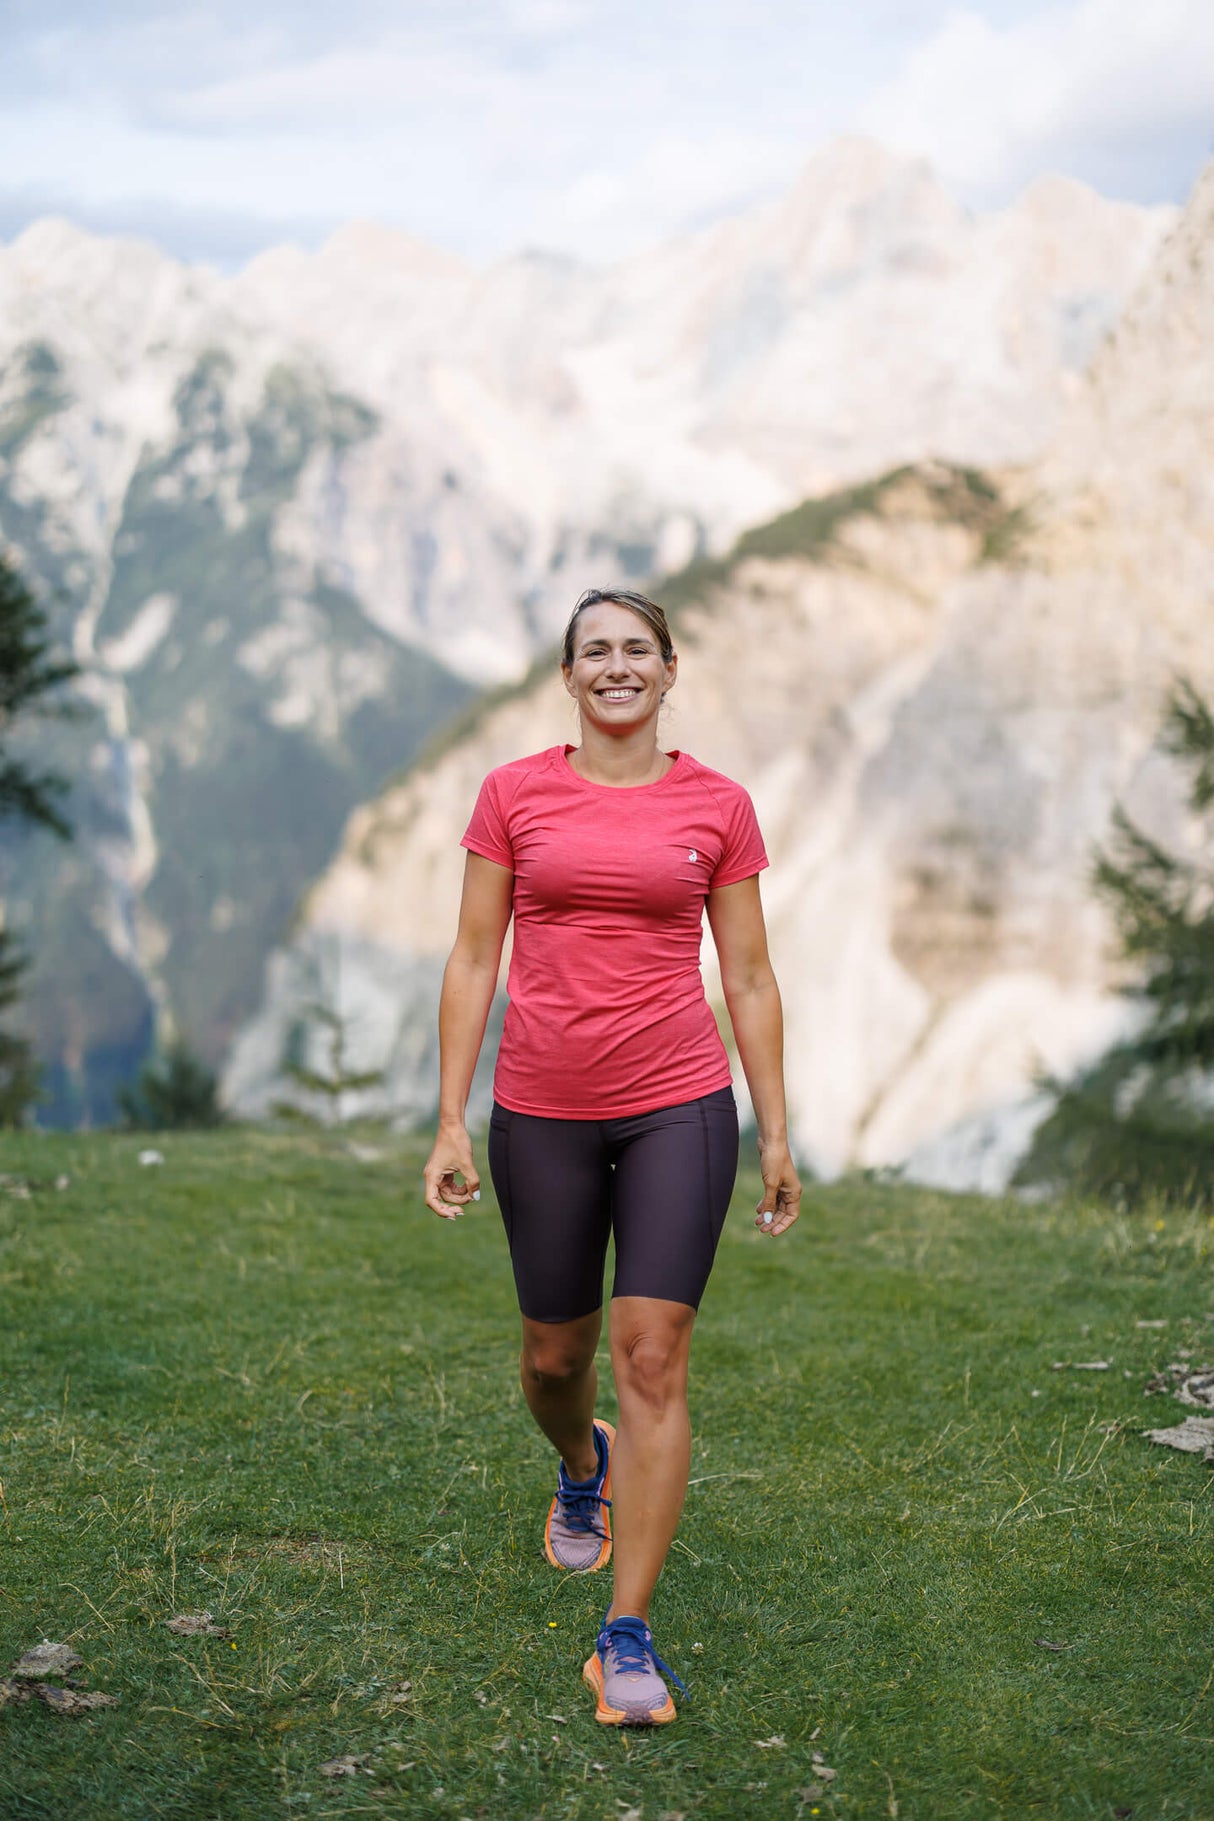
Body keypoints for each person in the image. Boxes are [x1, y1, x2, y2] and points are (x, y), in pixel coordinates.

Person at [422, 586, 800, 1727]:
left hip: (679, 1107)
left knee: (651, 1357)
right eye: (596, 651)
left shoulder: (717, 805)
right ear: (569, 675)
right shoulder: (513, 794)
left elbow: (747, 976)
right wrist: (449, 1117)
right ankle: (581, 1464)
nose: (617, 666)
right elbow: (474, 956)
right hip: (540, 1110)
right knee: (555, 1361)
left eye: (638, 649)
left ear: (670, 670)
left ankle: (625, 1636)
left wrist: (776, 1130)